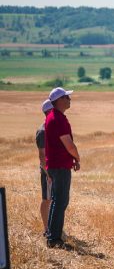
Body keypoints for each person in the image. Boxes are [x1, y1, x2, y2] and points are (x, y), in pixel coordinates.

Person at [45, 87, 81, 248]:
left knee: (58, 200)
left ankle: (52, 234)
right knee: (60, 201)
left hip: (56, 164)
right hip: (59, 166)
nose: (69, 99)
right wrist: (77, 157)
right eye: (66, 97)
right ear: (59, 100)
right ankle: (54, 238)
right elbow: (69, 144)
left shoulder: (54, 117)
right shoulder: (58, 119)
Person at [37, 99, 53, 236]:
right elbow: (42, 156)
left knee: (52, 199)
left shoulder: (50, 128)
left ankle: (52, 226)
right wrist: (48, 173)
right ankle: (47, 228)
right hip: (48, 171)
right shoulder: (43, 131)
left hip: (54, 169)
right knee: (47, 199)